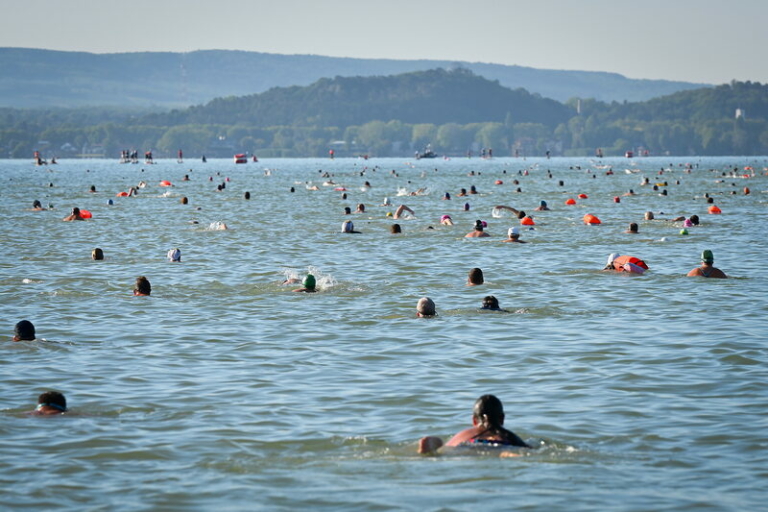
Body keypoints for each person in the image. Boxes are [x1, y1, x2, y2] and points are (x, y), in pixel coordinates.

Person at [418, 394, 530, 454]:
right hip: (502, 444)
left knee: (442, 445)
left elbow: (450, 447)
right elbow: (529, 449)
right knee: (505, 453)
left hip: (469, 444)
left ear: (474, 420)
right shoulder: (510, 436)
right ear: (502, 419)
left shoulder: (465, 434)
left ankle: (432, 445)